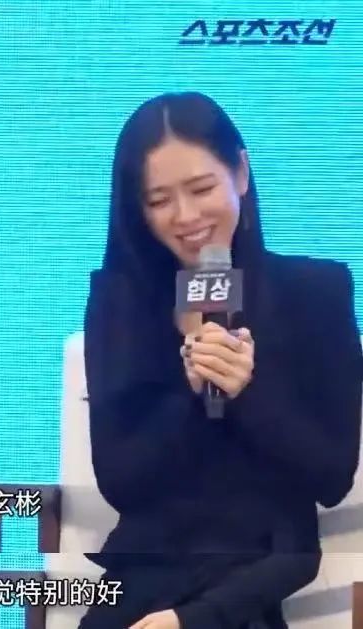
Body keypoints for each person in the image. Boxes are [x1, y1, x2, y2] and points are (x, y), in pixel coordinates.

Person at [79, 92, 362, 629]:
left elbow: (330, 477)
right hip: (143, 580)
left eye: (201, 188)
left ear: (241, 173)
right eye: (159, 200)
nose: (186, 216)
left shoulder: (316, 293)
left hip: (248, 587)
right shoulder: (122, 303)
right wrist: (190, 394)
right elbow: (122, 482)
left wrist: (246, 391)